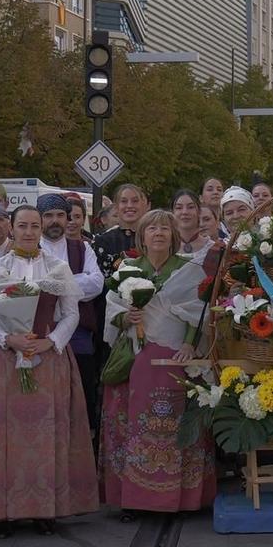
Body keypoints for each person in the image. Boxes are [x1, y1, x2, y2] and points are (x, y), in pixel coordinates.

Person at [0, 203, 100, 536]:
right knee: (5, 432)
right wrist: (9, 339)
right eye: (22, 225)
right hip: (6, 358)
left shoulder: (58, 267)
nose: (29, 232)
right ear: (11, 227)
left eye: (34, 226)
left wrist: (51, 341)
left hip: (47, 357)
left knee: (47, 431)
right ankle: (3, 510)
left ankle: (45, 508)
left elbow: (71, 313)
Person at [100, 209, 214, 516]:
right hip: (136, 358)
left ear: (174, 235)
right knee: (133, 426)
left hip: (176, 357)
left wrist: (190, 344)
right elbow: (111, 311)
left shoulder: (190, 270)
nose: (159, 233)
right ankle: (135, 499)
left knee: (178, 426)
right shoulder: (128, 268)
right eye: (152, 228)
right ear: (142, 235)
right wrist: (127, 317)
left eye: (165, 228)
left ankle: (184, 499)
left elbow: (199, 312)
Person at [38, 192, 107, 441]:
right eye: (48, 216)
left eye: (60, 215)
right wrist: (74, 286)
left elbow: (96, 284)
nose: (55, 221)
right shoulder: (29, 248)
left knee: (80, 396)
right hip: (39, 334)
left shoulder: (81, 248)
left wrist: (54, 287)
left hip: (78, 336)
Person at [95, 183, 151, 274]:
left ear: (145, 205)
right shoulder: (102, 240)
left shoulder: (155, 237)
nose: (129, 205)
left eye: (135, 201)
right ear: (116, 207)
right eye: (124, 201)